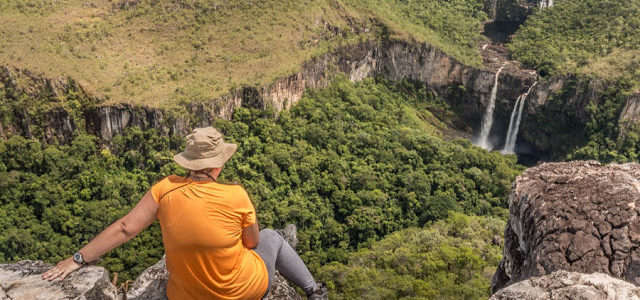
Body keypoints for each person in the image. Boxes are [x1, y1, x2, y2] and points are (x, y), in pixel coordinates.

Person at [42, 127, 328, 300]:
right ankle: (314, 291)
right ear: (219, 165)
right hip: (242, 292)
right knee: (271, 236)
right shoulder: (237, 195)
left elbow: (126, 228)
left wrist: (78, 258)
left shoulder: (165, 189)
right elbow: (252, 244)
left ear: (189, 162)